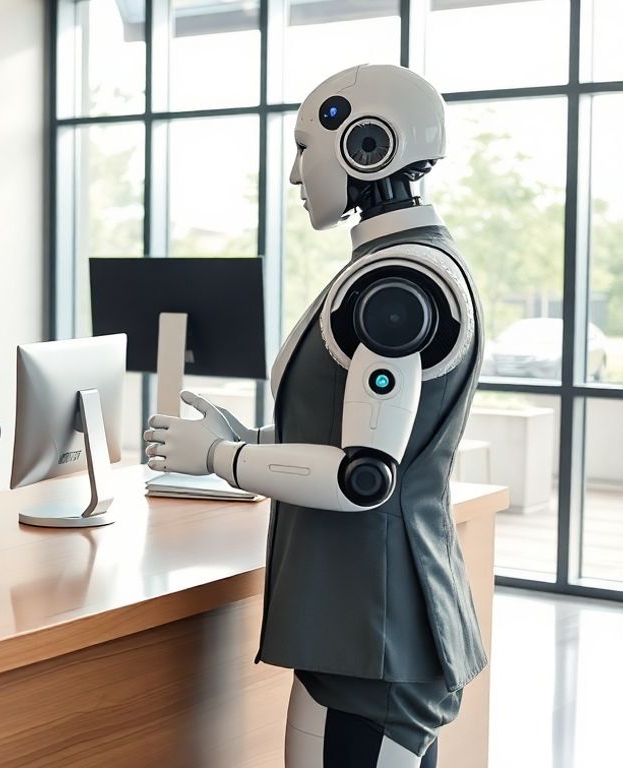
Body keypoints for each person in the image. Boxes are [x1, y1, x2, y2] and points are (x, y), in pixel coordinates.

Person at [144, 65, 483, 768]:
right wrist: (247, 438)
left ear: (367, 146)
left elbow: (364, 476)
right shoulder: (404, 266)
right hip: (362, 630)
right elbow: (354, 431)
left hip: (372, 631)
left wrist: (219, 458)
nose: (297, 176)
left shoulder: (397, 284)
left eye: (305, 149)